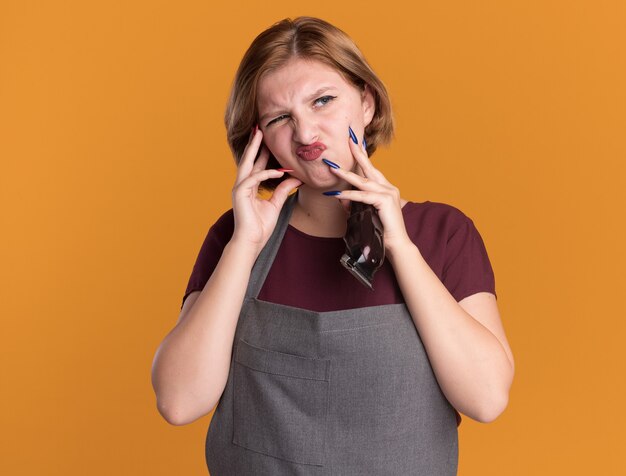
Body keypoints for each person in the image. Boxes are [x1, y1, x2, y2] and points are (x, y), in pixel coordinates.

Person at [151, 16, 515, 475]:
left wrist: (400, 245)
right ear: (259, 141)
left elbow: (486, 398)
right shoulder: (237, 236)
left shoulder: (442, 233)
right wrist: (244, 245)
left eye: (323, 101)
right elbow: (180, 402)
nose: (305, 134)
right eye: (280, 118)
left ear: (367, 102)